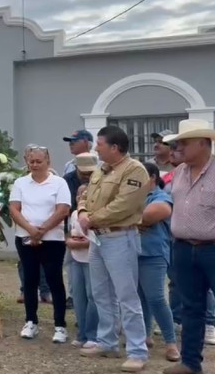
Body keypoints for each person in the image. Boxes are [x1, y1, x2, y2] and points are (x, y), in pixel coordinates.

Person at [78, 126, 150, 372]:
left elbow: (124, 205)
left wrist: (92, 218)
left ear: (115, 148)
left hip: (120, 237)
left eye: (99, 143)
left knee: (127, 296)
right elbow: (86, 194)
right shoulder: (101, 168)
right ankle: (107, 341)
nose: (95, 147)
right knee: (101, 293)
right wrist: (82, 211)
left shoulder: (135, 170)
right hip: (98, 239)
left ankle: (137, 351)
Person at [161, 119, 215, 374]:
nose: (178, 147)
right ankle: (190, 364)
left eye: (184, 142)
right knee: (191, 308)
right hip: (182, 248)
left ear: (203, 143)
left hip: (212, 249)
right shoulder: (180, 171)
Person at [9, 145, 71, 342]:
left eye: (38, 161)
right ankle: (31, 321)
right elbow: (14, 209)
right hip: (25, 237)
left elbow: (62, 210)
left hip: (52, 239)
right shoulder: (20, 183)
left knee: (54, 281)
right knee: (30, 280)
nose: (34, 165)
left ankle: (60, 325)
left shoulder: (59, 183)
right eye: (31, 161)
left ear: (48, 162)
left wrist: (42, 230)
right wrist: (31, 230)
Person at [137, 162, 179, 361]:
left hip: (153, 254)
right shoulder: (134, 197)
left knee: (155, 298)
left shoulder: (161, 196)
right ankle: (145, 336)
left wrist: (127, 219)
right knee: (139, 298)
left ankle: (171, 343)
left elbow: (157, 213)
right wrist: (137, 220)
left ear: (152, 177)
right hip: (133, 253)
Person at [66, 184, 97, 348]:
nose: (81, 198)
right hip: (75, 258)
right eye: (79, 195)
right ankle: (82, 333)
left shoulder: (94, 214)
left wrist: (85, 243)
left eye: (85, 194)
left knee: (93, 296)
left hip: (92, 259)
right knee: (78, 296)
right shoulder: (73, 214)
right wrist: (69, 242)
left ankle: (93, 334)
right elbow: (69, 234)